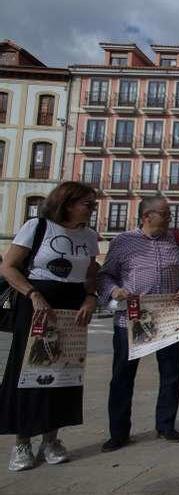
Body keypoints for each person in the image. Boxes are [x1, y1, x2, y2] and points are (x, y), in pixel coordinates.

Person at [0, 182, 99, 471]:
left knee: (64, 373)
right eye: (87, 204)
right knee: (29, 371)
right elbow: (8, 267)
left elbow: (91, 273)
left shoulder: (89, 236)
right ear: (67, 203)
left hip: (73, 308)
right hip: (35, 304)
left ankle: (51, 440)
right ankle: (21, 444)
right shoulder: (37, 226)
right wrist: (32, 294)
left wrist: (91, 298)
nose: (92, 209)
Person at [98, 196, 179, 452]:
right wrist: (115, 291)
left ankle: (166, 425)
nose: (170, 218)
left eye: (169, 214)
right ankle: (118, 433)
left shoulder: (176, 240)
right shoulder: (122, 242)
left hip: (167, 317)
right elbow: (105, 276)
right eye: (165, 214)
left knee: (172, 375)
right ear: (147, 216)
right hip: (130, 319)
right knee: (122, 377)